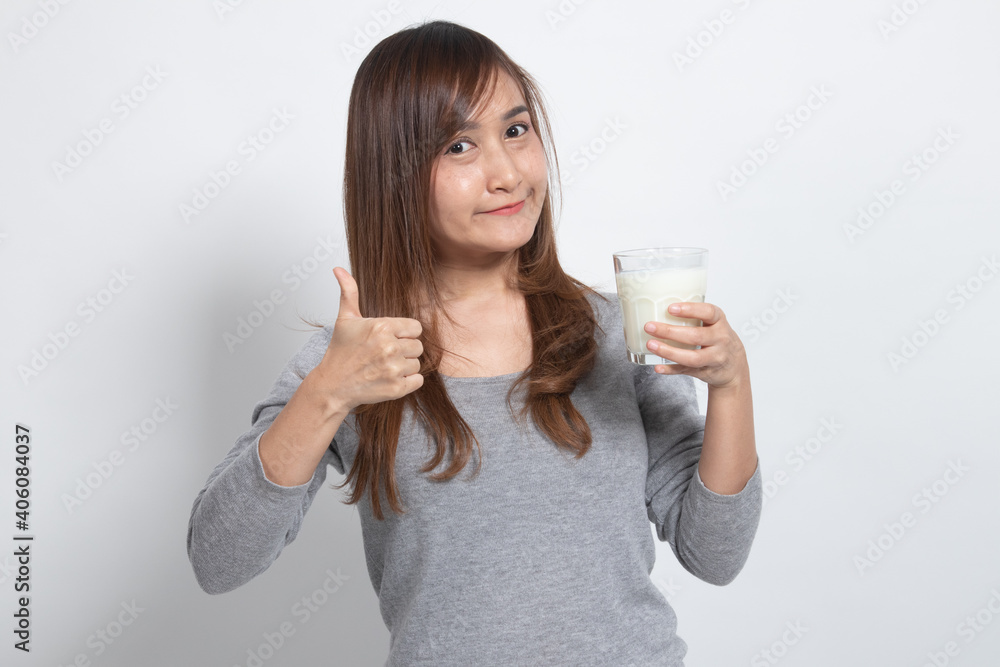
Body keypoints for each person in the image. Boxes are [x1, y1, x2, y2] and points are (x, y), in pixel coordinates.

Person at [187, 19, 762, 666]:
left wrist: (731, 384)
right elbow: (218, 560)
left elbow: (714, 554)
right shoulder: (360, 357)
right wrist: (326, 394)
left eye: (516, 131)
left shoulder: (612, 331)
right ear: (394, 175)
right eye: (459, 146)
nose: (507, 173)